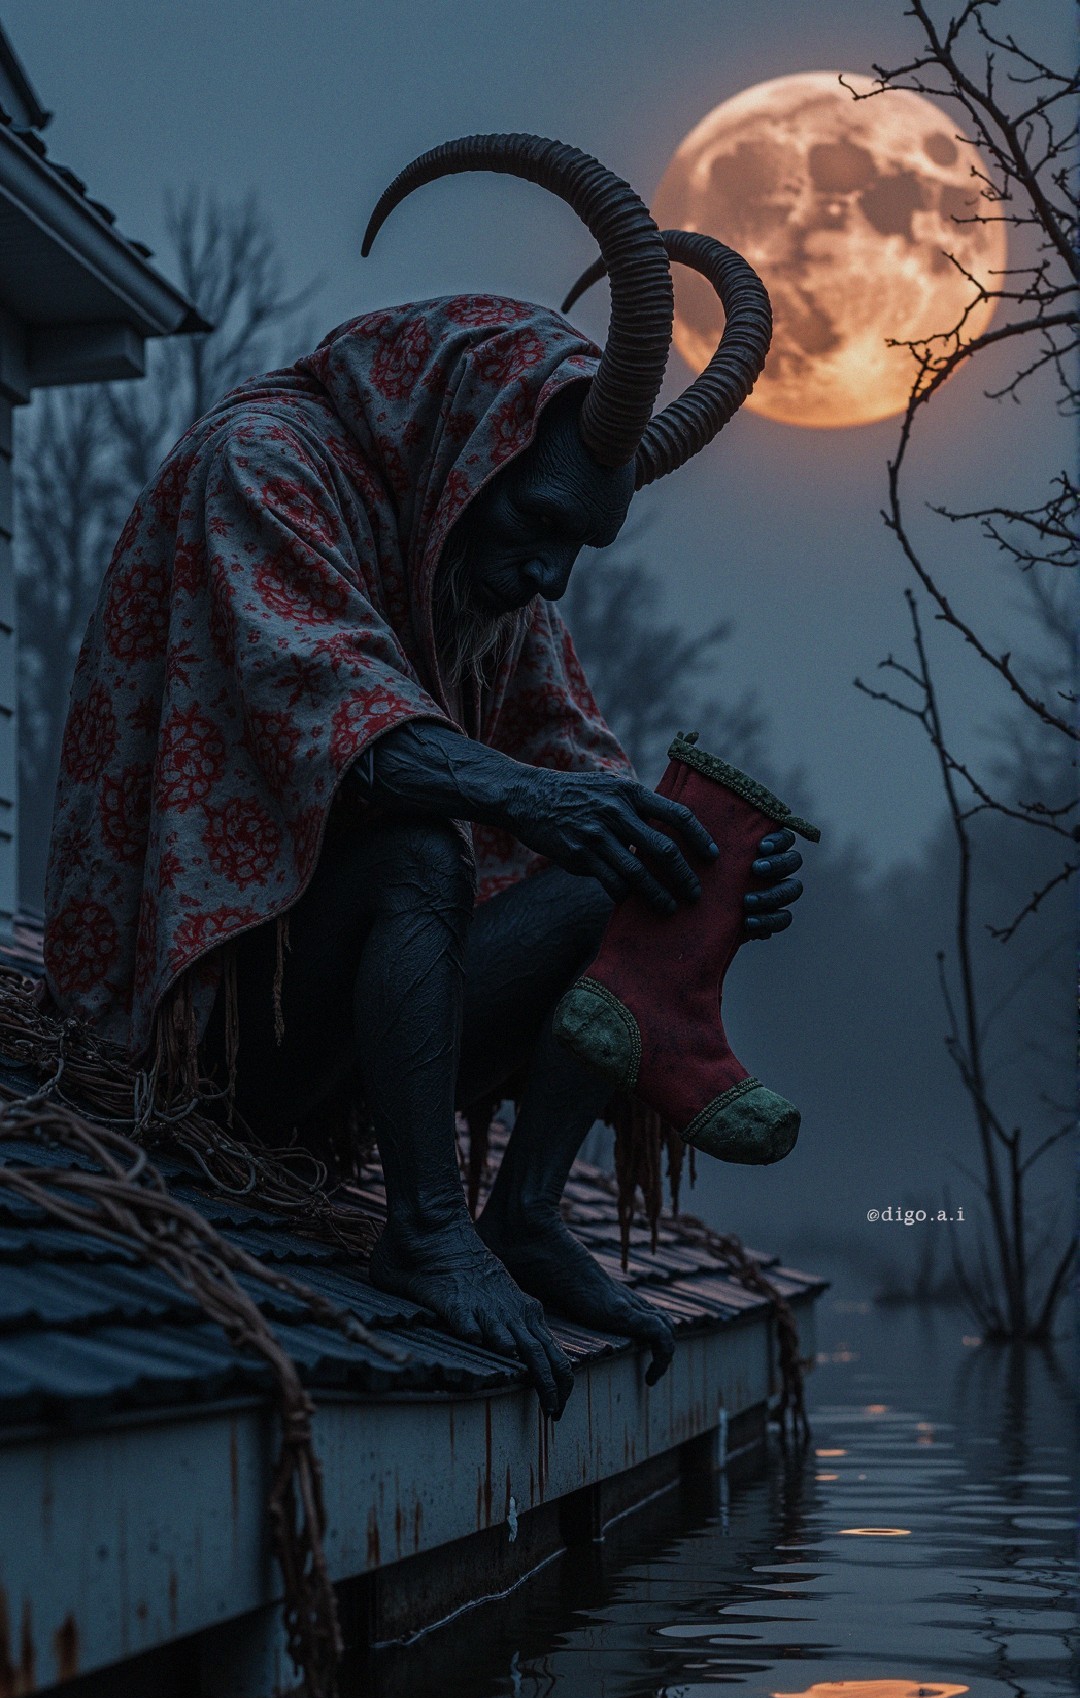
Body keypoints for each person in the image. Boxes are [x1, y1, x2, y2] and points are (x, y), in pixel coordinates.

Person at [44, 137, 804, 1418]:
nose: (551, 573)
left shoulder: (480, 558)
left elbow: (581, 777)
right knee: (412, 838)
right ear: (477, 442)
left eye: (578, 541)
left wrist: (712, 872)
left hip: (374, 1038)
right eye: (543, 525)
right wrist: (532, 799)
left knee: (633, 865)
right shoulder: (267, 466)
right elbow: (345, 719)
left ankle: (519, 1218)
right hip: (230, 1040)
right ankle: (427, 1230)